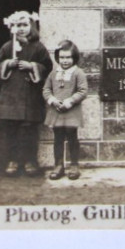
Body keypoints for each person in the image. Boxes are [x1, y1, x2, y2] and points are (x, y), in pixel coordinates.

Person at [0, 10, 52, 177]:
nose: (21, 29)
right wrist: (8, 64)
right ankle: (12, 160)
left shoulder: (38, 47)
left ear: (31, 26)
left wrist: (32, 66)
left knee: (29, 130)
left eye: (24, 25)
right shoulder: (7, 47)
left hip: (30, 96)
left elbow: (47, 66)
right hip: (11, 95)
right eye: (17, 25)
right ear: (11, 28)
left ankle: (29, 160)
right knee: (11, 129)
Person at [43, 40, 88, 180]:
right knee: (58, 139)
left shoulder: (78, 73)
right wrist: (53, 100)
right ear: (58, 58)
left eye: (68, 57)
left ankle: (74, 165)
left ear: (74, 57)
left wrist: (69, 101)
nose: (65, 60)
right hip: (56, 111)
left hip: (71, 112)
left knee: (72, 138)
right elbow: (46, 89)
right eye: (62, 57)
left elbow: (83, 91)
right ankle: (58, 165)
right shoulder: (53, 73)